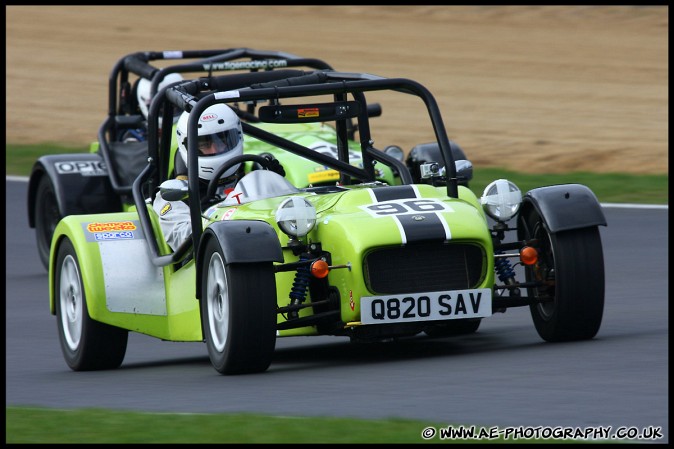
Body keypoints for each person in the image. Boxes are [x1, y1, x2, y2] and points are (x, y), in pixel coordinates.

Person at [152, 103, 244, 252]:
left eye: (222, 141)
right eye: (205, 144)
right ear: (187, 146)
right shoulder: (171, 193)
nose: (215, 149)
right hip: (205, 266)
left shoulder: (254, 172)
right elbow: (182, 240)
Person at [119, 72, 184, 142]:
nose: (171, 110)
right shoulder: (134, 137)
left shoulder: (190, 126)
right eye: (162, 107)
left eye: (175, 105)